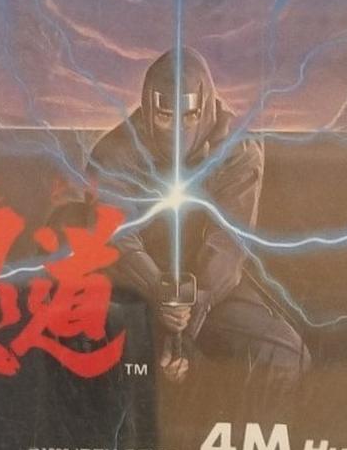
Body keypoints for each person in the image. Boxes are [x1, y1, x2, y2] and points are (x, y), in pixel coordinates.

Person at [89, 48, 308, 410]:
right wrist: (159, 295)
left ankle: (248, 445)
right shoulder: (114, 153)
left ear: (205, 107)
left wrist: (187, 321)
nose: (177, 129)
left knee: (284, 354)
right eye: (165, 116)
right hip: (132, 285)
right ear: (149, 109)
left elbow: (229, 243)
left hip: (210, 287)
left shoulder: (237, 148)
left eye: (188, 115)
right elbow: (118, 239)